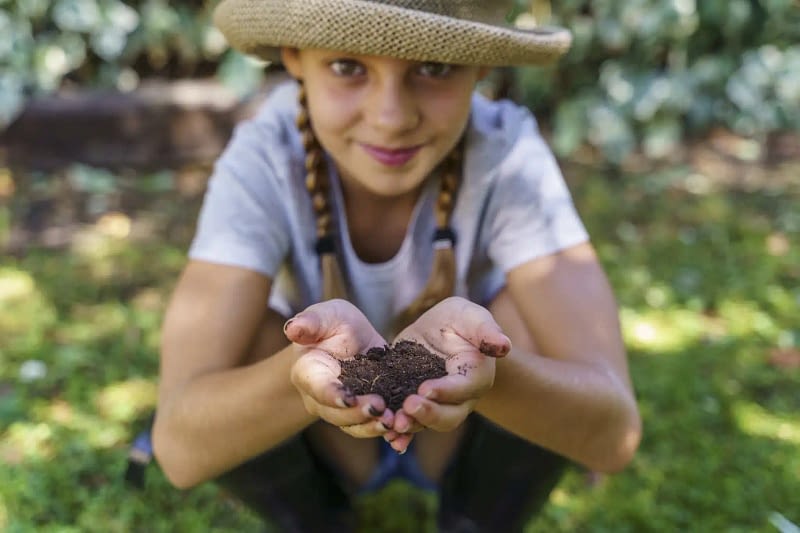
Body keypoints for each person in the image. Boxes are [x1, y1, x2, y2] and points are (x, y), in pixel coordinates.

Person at [150, 1, 642, 531]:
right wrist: (299, 379)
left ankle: (475, 518)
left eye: (434, 68)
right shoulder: (265, 157)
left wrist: (492, 375)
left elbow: (614, 437)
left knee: (528, 316)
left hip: (459, 435)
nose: (391, 117)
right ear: (294, 58)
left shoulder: (506, 152)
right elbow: (178, 451)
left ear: (481, 67)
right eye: (347, 67)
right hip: (326, 439)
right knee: (246, 337)